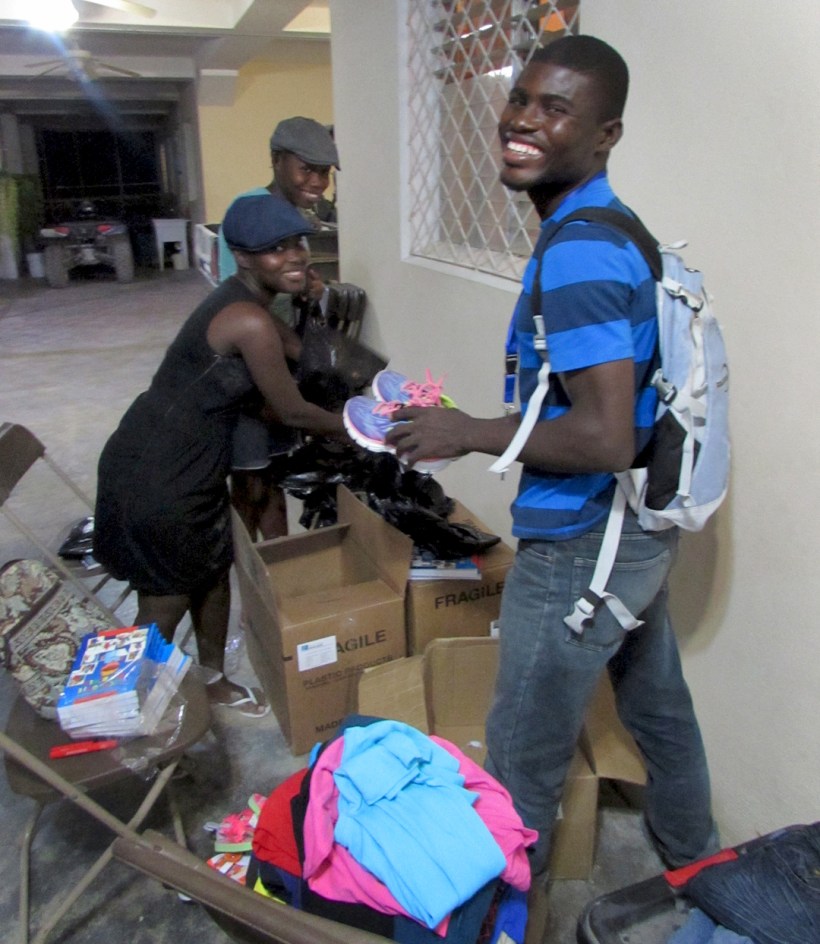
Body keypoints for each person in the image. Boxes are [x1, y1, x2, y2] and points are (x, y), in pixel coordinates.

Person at [386, 35, 719, 885]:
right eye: (522, 98)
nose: (522, 122)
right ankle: (701, 871)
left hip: (582, 547)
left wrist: (468, 431)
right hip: (632, 534)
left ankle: (501, 917)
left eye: (555, 108)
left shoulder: (577, 249)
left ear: (605, 134)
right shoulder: (606, 227)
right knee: (658, 707)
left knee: (521, 760)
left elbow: (606, 437)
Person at [93, 193, 346, 714]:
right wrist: (365, 429)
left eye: (299, 242)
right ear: (244, 256)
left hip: (188, 459)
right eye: (277, 248)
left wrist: (306, 305)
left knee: (212, 569)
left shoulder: (250, 302)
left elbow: (309, 357)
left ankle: (211, 680)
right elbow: (294, 410)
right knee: (165, 597)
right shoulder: (246, 319)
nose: (297, 255)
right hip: (159, 469)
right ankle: (131, 714)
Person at [217, 117, 340, 541]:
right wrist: (303, 356)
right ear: (276, 161)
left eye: (324, 172)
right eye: (306, 168)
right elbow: (238, 304)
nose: (317, 181)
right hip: (250, 376)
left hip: (281, 372)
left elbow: (286, 292)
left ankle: (279, 575)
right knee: (250, 482)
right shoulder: (248, 213)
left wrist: (309, 291)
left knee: (275, 473)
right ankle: (251, 584)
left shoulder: (297, 217)